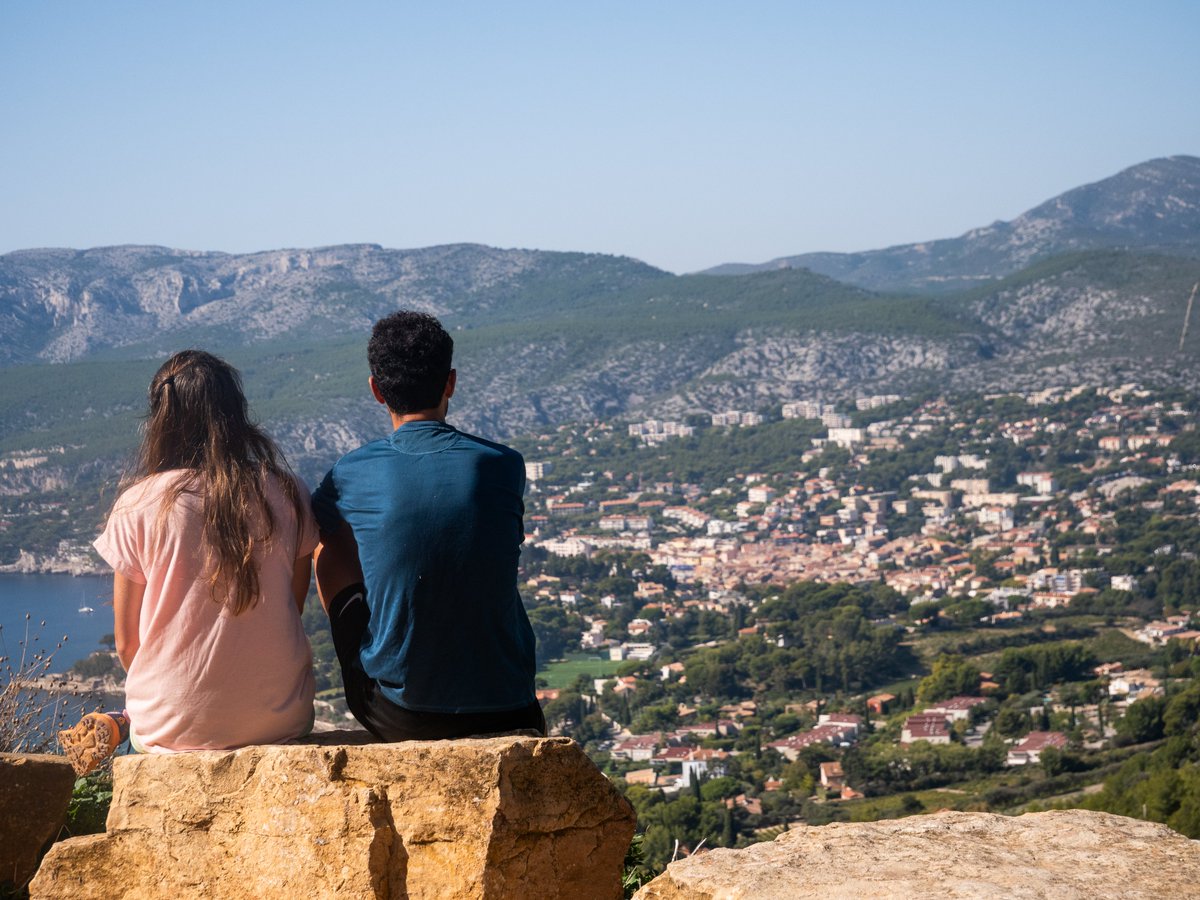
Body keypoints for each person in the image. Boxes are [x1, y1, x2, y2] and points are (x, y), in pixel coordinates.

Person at [59, 350, 317, 774]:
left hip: (174, 728)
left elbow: (127, 645)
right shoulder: (288, 492)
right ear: (236, 414)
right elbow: (292, 605)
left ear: (160, 420)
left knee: (142, 738)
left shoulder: (138, 503)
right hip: (281, 719)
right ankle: (127, 723)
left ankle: (123, 725)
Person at [311, 310, 543, 741]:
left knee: (328, 543)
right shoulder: (505, 464)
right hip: (511, 706)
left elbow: (315, 538)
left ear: (376, 390)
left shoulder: (352, 472)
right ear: (450, 383)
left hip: (402, 712)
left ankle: (385, 655)